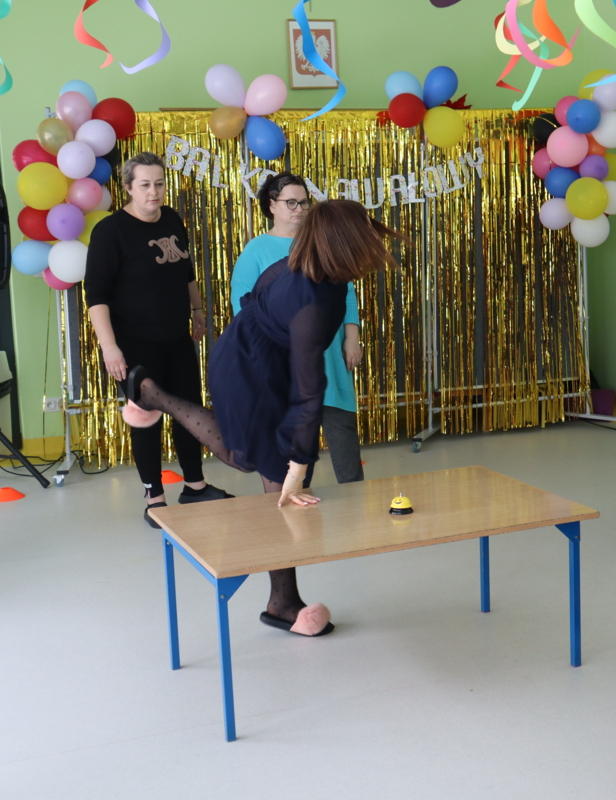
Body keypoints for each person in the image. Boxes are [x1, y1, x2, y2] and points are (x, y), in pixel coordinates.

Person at [122, 199, 404, 637]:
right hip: (248, 365)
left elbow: (261, 302)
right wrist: (298, 467)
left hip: (266, 356)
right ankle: (283, 604)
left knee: (251, 460)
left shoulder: (317, 270)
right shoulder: (311, 301)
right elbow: (310, 394)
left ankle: (149, 394)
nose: (371, 247)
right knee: (271, 473)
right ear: (341, 244)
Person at [85, 152, 231, 528]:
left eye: (159, 184)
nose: (154, 192)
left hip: (176, 337)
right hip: (134, 343)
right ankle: (155, 498)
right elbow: (96, 296)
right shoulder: (110, 231)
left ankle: (195, 486)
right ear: (128, 188)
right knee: (146, 419)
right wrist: (109, 348)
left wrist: (197, 310)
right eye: (145, 185)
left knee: (188, 413)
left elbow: (186, 271)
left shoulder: (171, 219)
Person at [231, 172, 365, 485]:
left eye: (304, 202)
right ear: (271, 205)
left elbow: (346, 290)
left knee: (341, 426)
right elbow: (243, 308)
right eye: (290, 202)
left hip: (328, 354)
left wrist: (351, 336)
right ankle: (295, 495)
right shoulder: (255, 250)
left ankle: (356, 496)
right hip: (282, 361)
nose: (299, 209)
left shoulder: (322, 242)